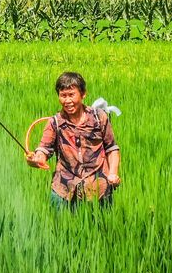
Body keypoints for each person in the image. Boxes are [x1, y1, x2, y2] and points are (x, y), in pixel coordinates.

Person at [26, 72, 121, 209]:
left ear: (83, 94)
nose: (67, 100)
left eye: (71, 95)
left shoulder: (99, 117)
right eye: (63, 95)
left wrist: (113, 173)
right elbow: (44, 149)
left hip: (99, 189)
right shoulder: (55, 123)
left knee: (99, 229)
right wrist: (36, 159)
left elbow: (112, 148)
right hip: (64, 191)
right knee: (62, 229)